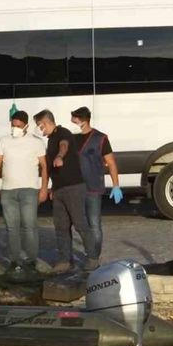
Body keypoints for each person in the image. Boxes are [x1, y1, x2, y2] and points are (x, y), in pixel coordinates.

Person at [34, 109, 99, 273]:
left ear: (46, 123)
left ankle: (92, 257)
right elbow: (48, 168)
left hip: (73, 186)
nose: (39, 129)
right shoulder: (50, 140)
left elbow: (64, 145)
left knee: (80, 223)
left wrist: (60, 156)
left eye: (39, 125)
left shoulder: (63, 133)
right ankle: (65, 260)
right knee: (61, 225)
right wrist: (50, 187)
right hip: (59, 189)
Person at [0, 110, 48, 274]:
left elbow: (44, 166)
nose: (15, 128)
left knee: (29, 226)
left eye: (19, 126)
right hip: (8, 191)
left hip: (29, 190)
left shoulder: (37, 142)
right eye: (13, 125)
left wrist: (44, 188)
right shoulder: (4, 141)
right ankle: (14, 261)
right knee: (12, 228)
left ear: (26, 126)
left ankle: (31, 260)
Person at [71, 106, 123, 257]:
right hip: (75, 187)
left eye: (74, 119)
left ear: (82, 120)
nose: (71, 122)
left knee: (94, 224)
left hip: (93, 187)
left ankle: (94, 257)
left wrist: (116, 185)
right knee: (80, 224)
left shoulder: (100, 138)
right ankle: (87, 253)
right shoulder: (72, 138)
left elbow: (111, 162)